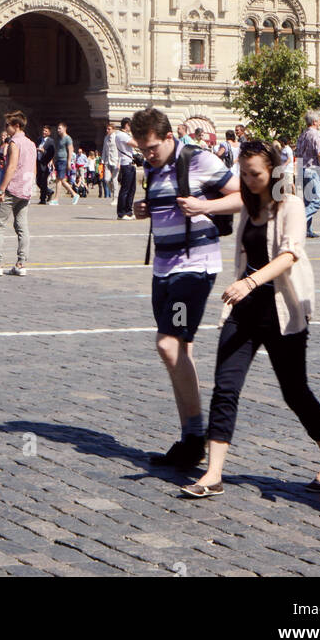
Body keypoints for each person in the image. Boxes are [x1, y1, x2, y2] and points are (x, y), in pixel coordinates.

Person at [183, 140, 320, 498]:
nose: (248, 179)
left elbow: (290, 253)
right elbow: (226, 202)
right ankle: (213, 474)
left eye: (255, 173)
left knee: (294, 391)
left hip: (281, 311)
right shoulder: (249, 202)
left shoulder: (290, 203)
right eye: (243, 173)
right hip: (243, 312)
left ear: (272, 172)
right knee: (226, 387)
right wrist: (198, 207)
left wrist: (250, 281)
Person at [131, 107, 241, 471]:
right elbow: (163, 203)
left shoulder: (198, 159)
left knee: (167, 344)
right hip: (163, 266)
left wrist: (204, 205)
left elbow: (245, 194)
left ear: (168, 137)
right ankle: (189, 437)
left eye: (151, 149)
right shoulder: (152, 165)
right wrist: (143, 209)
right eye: (142, 150)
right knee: (181, 350)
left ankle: (196, 437)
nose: (147, 155)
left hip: (194, 266)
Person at [0, 111, 37, 277]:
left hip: (12, 188)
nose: (5, 128)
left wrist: (1, 189)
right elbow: (33, 168)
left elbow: (11, 167)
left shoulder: (14, 143)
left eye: (7, 125)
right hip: (25, 189)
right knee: (22, 227)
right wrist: (31, 186)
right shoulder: (31, 143)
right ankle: (21, 263)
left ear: (16, 126)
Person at [294, 110, 320, 239]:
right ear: (314, 122)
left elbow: (297, 153)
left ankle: (307, 229)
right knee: (316, 202)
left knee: (308, 201)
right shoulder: (316, 136)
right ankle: (298, 222)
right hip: (313, 169)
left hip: (302, 169)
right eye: (319, 121)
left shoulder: (302, 135)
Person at [113, 117, 137, 219]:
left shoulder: (123, 135)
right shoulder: (121, 135)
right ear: (126, 125)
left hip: (130, 164)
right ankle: (121, 213)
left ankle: (128, 211)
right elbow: (135, 144)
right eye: (130, 126)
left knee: (132, 189)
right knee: (125, 189)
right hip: (126, 164)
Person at [53, 122, 78, 203]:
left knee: (58, 180)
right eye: (58, 128)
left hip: (63, 160)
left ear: (64, 128)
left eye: (60, 128)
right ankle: (74, 194)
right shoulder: (59, 138)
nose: (58, 130)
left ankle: (56, 199)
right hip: (58, 159)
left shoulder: (68, 138)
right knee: (62, 181)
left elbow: (71, 150)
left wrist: (69, 162)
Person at [36, 125, 56, 205]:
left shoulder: (51, 141)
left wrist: (44, 152)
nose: (44, 132)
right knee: (38, 181)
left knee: (44, 181)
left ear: (49, 133)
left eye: (46, 131)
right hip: (38, 162)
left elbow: (52, 153)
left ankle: (43, 199)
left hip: (45, 163)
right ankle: (49, 191)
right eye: (43, 131)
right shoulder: (39, 140)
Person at [102, 122, 119, 203]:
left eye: (109, 129)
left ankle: (115, 198)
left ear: (113, 130)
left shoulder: (117, 137)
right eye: (107, 129)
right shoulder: (106, 138)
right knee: (106, 179)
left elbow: (120, 150)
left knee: (115, 179)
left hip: (115, 161)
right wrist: (103, 160)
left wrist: (119, 162)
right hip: (107, 161)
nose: (107, 130)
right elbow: (104, 149)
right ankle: (113, 191)